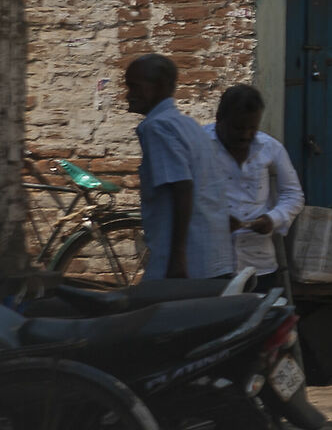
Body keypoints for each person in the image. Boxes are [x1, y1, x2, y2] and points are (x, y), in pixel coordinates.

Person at [124, 53, 227, 282]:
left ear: (159, 87)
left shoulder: (158, 127)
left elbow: (182, 187)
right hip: (209, 256)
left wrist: (178, 256)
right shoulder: (186, 124)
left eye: (135, 87)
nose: (128, 95)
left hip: (186, 260)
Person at [202, 85, 303, 288]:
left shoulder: (270, 147)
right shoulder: (198, 144)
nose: (246, 135)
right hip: (210, 263)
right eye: (238, 128)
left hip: (259, 263)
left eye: (253, 129)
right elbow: (185, 196)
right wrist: (213, 219)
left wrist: (273, 218)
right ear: (220, 118)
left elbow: (293, 195)